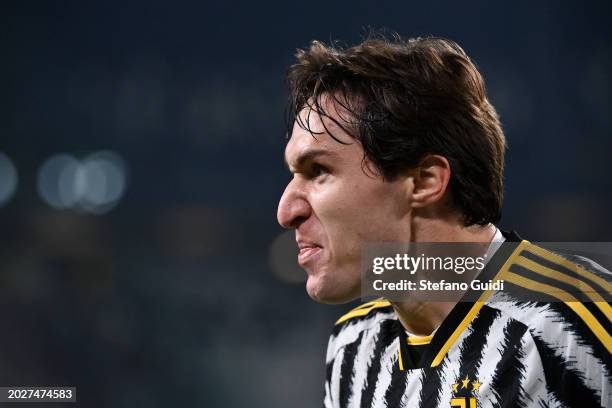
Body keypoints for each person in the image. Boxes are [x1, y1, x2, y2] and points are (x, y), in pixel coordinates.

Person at [277, 35, 611, 408]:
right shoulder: (352, 348)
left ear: (425, 181)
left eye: (318, 170)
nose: (286, 210)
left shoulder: (573, 318)